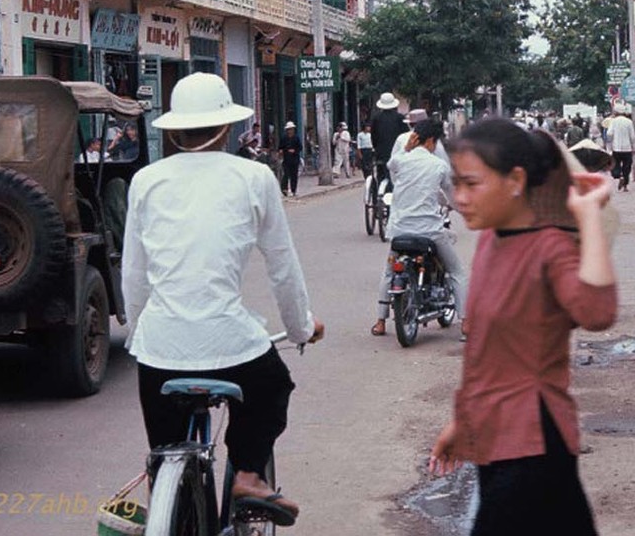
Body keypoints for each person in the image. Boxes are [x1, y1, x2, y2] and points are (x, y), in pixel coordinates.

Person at [121, 73, 325, 527]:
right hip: (231, 345)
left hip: (159, 351)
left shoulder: (146, 181)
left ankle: (167, 498)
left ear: (174, 129)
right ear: (227, 128)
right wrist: (300, 328)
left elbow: (133, 276)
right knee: (273, 386)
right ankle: (250, 475)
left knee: (164, 450)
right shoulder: (254, 177)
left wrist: (141, 338)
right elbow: (283, 267)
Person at [428, 118, 617, 535]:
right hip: (499, 439)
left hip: (533, 441)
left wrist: (588, 218)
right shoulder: (493, 240)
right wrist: (463, 421)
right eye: (455, 184)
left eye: (471, 184)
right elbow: (486, 355)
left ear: (515, 180)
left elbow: (597, 312)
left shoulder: (550, 245)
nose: (459, 198)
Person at [370, 119, 466, 338]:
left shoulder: (401, 161)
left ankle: (380, 322)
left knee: (388, 272)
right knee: (457, 271)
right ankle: (466, 324)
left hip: (399, 230)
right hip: (429, 231)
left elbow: (391, 165)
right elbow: (452, 196)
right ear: (431, 140)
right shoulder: (438, 165)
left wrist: (406, 149)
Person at [371, 92, 408, 188]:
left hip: (381, 154)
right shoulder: (400, 118)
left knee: (381, 175)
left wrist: (376, 149)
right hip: (398, 153)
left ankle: (381, 193)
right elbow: (406, 136)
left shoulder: (376, 118)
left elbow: (373, 137)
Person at [608, 107, 635, 192]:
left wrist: (609, 147)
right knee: (627, 167)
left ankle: (620, 176)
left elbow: (609, 133)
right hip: (627, 148)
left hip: (616, 148)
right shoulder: (629, 122)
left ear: (616, 113)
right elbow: (633, 136)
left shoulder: (613, 121)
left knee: (616, 165)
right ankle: (625, 186)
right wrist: (634, 148)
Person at [279, 121, 302, 197]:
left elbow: (300, 147)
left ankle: (293, 190)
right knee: (285, 174)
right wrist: (281, 151)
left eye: (291, 129)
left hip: (294, 159)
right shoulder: (284, 138)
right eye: (288, 129)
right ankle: (284, 189)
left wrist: (294, 150)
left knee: (294, 175)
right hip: (286, 159)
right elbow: (280, 147)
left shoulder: (296, 138)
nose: (290, 131)